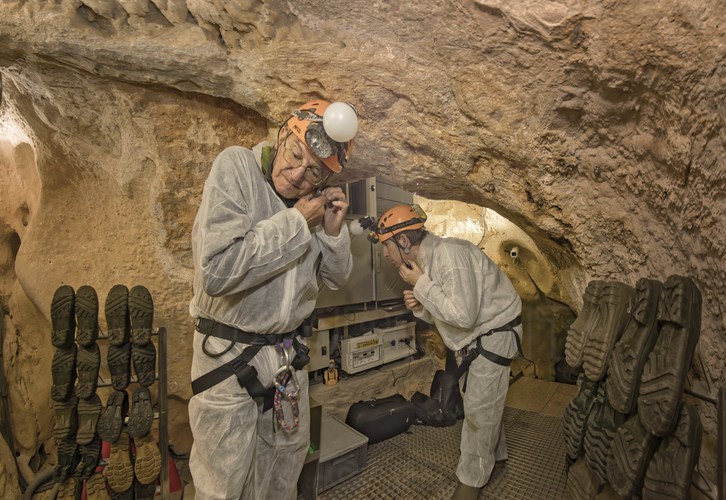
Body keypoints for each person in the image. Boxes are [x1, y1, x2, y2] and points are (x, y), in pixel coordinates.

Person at [188, 99, 357, 499]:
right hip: (228, 359)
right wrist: (297, 222)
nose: (297, 173)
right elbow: (218, 270)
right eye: (294, 154)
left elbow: (336, 278)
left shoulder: (315, 207)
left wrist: (332, 233)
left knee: (283, 471)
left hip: (285, 361)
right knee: (223, 485)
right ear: (283, 135)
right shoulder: (237, 169)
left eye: (312, 171)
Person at [369, 204, 523, 500]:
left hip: (495, 334)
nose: (386, 255)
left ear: (403, 242)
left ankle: (470, 483)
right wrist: (422, 303)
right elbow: (450, 311)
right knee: (481, 400)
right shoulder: (433, 259)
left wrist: (421, 285)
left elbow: (463, 315)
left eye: (387, 246)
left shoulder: (449, 256)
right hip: (479, 334)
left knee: (478, 409)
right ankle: (496, 455)